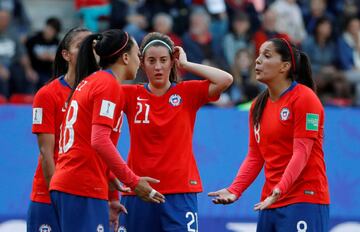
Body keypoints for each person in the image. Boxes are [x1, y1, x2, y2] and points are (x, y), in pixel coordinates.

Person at [208, 38, 330, 232]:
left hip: (304, 199)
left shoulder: (305, 99)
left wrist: (280, 189)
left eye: (266, 56)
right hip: (270, 202)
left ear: (285, 66)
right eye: (258, 55)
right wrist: (235, 189)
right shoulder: (257, 105)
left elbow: (302, 152)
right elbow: (255, 156)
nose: (257, 60)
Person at [49, 29, 165, 231]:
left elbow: (83, 137)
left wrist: (110, 180)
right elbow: (100, 140)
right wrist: (133, 181)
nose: (140, 62)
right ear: (125, 57)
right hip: (81, 185)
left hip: (73, 182)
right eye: (138, 56)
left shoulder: (90, 81)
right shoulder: (107, 85)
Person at [119, 32, 233, 232]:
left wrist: (187, 65)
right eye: (151, 61)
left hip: (180, 191)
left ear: (172, 62)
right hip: (139, 190)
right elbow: (98, 90)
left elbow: (225, 79)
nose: (158, 67)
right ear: (142, 64)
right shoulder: (129, 94)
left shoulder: (187, 92)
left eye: (163, 60)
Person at [28, 27, 91, 232]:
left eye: (92, 46)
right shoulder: (47, 94)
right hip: (50, 197)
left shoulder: (101, 94)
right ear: (66, 55)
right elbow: (47, 152)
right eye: (81, 46)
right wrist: (58, 197)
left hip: (88, 195)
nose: (88, 51)